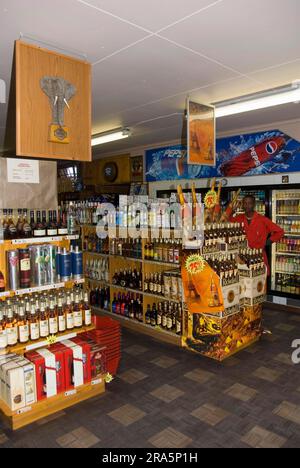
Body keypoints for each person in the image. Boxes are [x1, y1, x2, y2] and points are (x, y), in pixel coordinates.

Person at [232, 195, 284, 275]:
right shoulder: (238, 218)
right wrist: (231, 211)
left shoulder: (263, 220)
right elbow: (225, 224)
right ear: (242, 204)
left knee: (260, 284)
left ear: (254, 205)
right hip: (242, 258)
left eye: (249, 203)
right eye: (245, 203)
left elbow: (280, 232)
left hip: (258, 258)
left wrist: (267, 242)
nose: (247, 205)